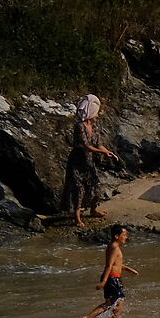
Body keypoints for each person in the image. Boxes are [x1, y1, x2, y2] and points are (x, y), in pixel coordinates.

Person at [64, 95, 120, 228]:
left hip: (88, 161)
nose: (98, 116)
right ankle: (77, 217)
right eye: (96, 113)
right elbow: (86, 146)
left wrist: (108, 152)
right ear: (90, 113)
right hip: (77, 161)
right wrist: (103, 153)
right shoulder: (80, 127)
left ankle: (93, 209)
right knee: (79, 188)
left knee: (95, 184)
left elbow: (98, 144)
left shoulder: (93, 127)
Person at [80, 224, 141, 318]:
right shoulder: (114, 247)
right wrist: (104, 281)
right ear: (117, 236)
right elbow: (109, 265)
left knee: (111, 303)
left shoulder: (113, 246)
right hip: (112, 278)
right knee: (119, 302)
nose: (126, 237)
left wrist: (128, 269)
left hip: (113, 277)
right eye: (124, 234)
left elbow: (116, 263)